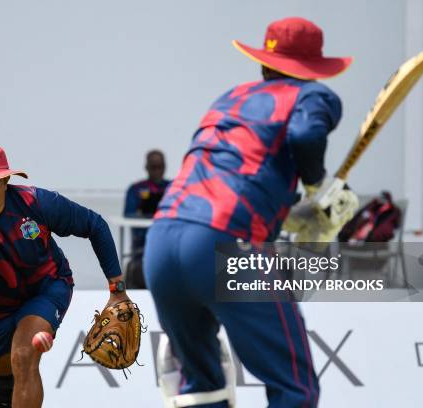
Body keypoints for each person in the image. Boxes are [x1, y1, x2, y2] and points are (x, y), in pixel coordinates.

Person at [144, 17, 352, 407]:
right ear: (314, 68)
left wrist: (291, 211)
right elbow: (306, 135)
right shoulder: (313, 96)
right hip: (224, 247)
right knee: (294, 388)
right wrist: (317, 185)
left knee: (203, 389)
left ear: (263, 63)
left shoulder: (229, 99)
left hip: (161, 244)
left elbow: (235, 171)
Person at [0, 142, 128, 408]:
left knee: (24, 355)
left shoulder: (37, 202)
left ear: (5, 182)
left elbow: (95, 225)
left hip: (47, 288)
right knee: (4, 382)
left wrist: (117, 290)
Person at [123, 150, 170, 288]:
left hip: (168, 246)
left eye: (160, 167)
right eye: (153, 167)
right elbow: (128, 215)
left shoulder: (173, 188)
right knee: (138, 269)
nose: (157, 171)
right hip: (142, 248)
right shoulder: (136, 189)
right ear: (147, 167)